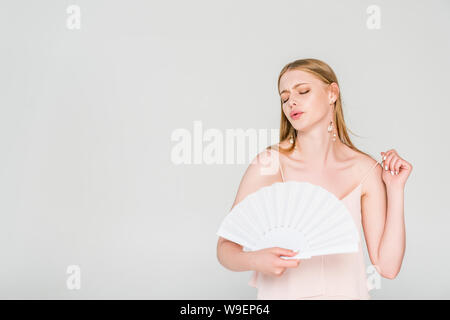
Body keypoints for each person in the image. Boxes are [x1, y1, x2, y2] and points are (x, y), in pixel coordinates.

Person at [216, 58, 413, 299]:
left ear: (332, 93)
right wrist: (254, 259)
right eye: (285, 98)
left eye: (303, 91)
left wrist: (395, 189)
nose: (292, 102)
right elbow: (225, 248)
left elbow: (388, 267)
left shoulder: (365, 169)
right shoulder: (270, 163)